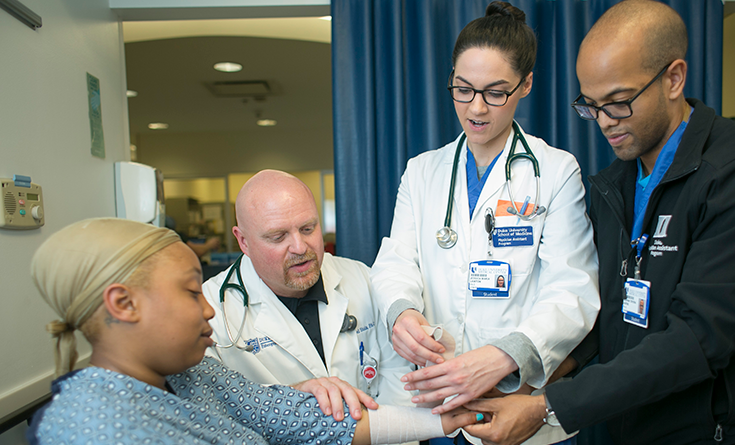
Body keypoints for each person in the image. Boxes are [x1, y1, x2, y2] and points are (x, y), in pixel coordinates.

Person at [462, 2, 735, 444]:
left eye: (619, 103)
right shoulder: (616, 185)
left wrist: (547, 407)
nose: (604, 122)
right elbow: (609, 313)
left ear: (674, 78)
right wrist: (533, 376)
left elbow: (698, 339)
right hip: (641, 426)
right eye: (591, 105)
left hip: (728, 431)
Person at [27, 218, 483, 445]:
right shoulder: (94, 429)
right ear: (123, 304)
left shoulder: (193, 376)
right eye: (191, 292)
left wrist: (453, 417)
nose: (209, 308)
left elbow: (307, 419)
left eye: (308, 228)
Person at [370, 2, 600, 445]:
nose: (476, 109)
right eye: (463, 89)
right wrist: (403, 313)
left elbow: (571, 290)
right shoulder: (422, 171)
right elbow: (397, 261)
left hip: (515, 400)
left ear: (526, 84)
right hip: (434, 404)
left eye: (496, 92)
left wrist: (503, 356)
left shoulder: (555, 170)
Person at [203, 170, 414, 415]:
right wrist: (287, 400)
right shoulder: (211, 310)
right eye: (277, 236)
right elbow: (211, 412)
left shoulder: (361, 278)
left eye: (307, 229)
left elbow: (400, 376)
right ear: (243, 242)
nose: (300, 247)